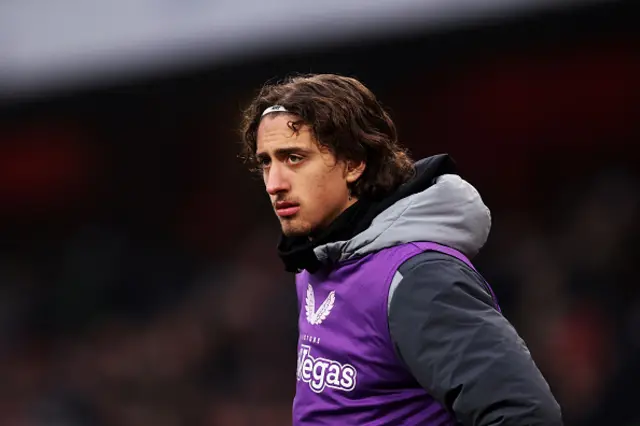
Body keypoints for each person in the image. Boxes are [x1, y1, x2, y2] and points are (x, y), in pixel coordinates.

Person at [240, 73, 562, 425]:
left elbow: (526, 414)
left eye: (294, 158)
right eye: (266, 162)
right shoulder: (315, 261)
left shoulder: (418, 278)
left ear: (354, 163)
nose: (274, 184)